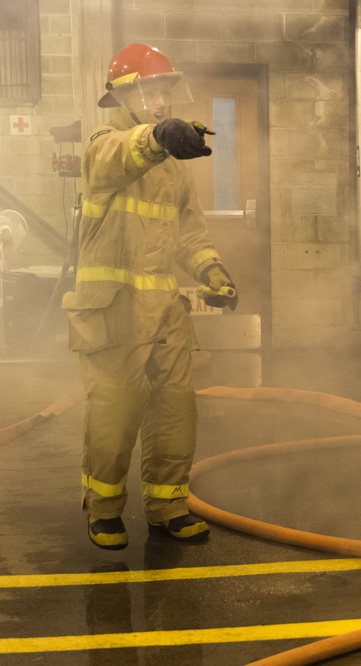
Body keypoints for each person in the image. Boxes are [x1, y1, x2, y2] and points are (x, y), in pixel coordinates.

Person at [62, 43, 237, 550]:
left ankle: (167, 506)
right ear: (126, 94)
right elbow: (118, 156)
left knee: (176, 408)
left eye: (165, 91)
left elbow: (190, 236)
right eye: (151, 91)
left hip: (165, 311)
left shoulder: (174, 168)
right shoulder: (105, 141)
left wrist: (214, 272)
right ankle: (104, 508)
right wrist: (158, 136)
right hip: (111, 308)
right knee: (114, 410)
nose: (161, 101)